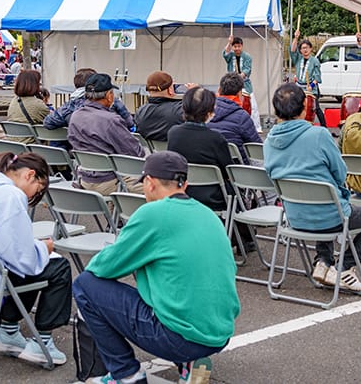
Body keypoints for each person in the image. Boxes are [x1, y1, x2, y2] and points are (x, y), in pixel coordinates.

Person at [72, 151, 240, 384]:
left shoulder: (152, 213)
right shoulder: (207, 214)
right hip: (218, 332)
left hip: (178, 337)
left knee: (85, 285)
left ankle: (126, 373)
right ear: (185, 184)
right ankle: (190, 363)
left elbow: (103, 268)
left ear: (149, 183)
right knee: (176, 288)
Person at [264, 83, 361, 292]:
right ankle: (344, 267)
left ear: (276, 111)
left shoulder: (269, 142)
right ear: (305, 108)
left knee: (321, 196)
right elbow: (341, 174)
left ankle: (323, 261)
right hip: (331, 216)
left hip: (294, 217)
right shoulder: (319, 135)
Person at [0, 152, 71, 364]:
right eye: (38, 190)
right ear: (30, 175)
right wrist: (43, 248)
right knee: (58, 266)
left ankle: (8, 331)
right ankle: (41, 341)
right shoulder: (9, 194)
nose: (33, 197)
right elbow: (21, 256)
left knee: (32, 263)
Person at [68, 73, 145, 195]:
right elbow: (135, 153)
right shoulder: (111, 120)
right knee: (161, 188)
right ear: (109, 95)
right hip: (110, 181)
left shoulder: (75, 116)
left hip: (84, 179)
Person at [167, 86, 234, 213]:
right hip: (214, 198)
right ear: (209, 112)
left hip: (182, 191)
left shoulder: (173, 133)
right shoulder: (216, 138)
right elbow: (228, 172)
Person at [43, 67, 134, 131]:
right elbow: (129, 123)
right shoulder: (113, 103)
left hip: (77, 151)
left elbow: (48, 122)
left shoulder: (69, 105)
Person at [207, 73, 261, 165]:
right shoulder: (242, 116)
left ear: (219, 90)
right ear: (240, 93)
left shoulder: (205, 113)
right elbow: (257, 148)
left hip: (213, 168)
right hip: (238, 170)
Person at [222, 35, 262, 133]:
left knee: (253, 105)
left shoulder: (247, 56)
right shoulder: (231, 55)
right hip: (231, 85)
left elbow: (247, 70)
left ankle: (257, 127)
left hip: (245, 84)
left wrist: (239, 78)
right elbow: (225, 53)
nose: (237, 48)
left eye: (239, 46)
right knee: (231, 104)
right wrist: (229, 42)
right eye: (235, 46)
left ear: (242, 46)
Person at [134, 70, 189, 142]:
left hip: (151, 152)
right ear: (170, 90)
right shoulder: (180, 109)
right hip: (176, 152)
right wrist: (195, 93)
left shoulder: (140, 112)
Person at [289, 28, 326, 127]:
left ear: (310, 49)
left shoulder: (315, 61)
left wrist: (312, 85)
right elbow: (292, 51)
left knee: (316, 108)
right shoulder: (298, 59)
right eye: (302, 48)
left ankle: (324, 127)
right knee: (297, 107)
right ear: (300, 50)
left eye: (306, 48)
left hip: (311, 88)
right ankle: (298, 126)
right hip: (299, 87)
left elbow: (317, 76)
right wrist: (296, 38)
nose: (304, 50)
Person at [6, 70, 50, 142]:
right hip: (34, 146)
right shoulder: (38, 104)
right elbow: (53, 121)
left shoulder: (14, 101)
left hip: (15, 144)